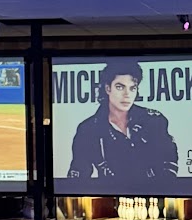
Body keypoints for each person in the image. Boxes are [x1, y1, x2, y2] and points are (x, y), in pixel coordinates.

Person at [64, 60, 178, 190]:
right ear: (108, 88)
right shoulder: (88, 129)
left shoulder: (154, 120)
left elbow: (169, 160)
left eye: (132, 88)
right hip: (109, 199)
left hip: (155, 197)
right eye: (120, 87)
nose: (127, 94)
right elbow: (78, 177)